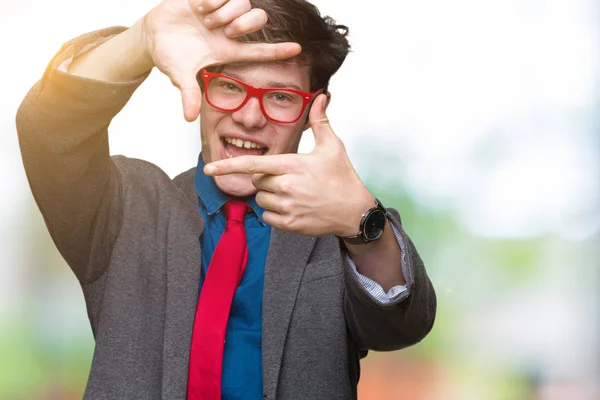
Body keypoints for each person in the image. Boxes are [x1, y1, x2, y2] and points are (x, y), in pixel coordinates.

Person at [16, 0, 436, 398]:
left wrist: (361, 224)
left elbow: (404, 326)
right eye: (230, 86)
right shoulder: (125, 208)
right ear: (199, 88)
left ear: (312, 113)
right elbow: (49, 129)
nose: (250, 117)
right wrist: (140, 39)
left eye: (281, 96)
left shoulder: (341, 225)